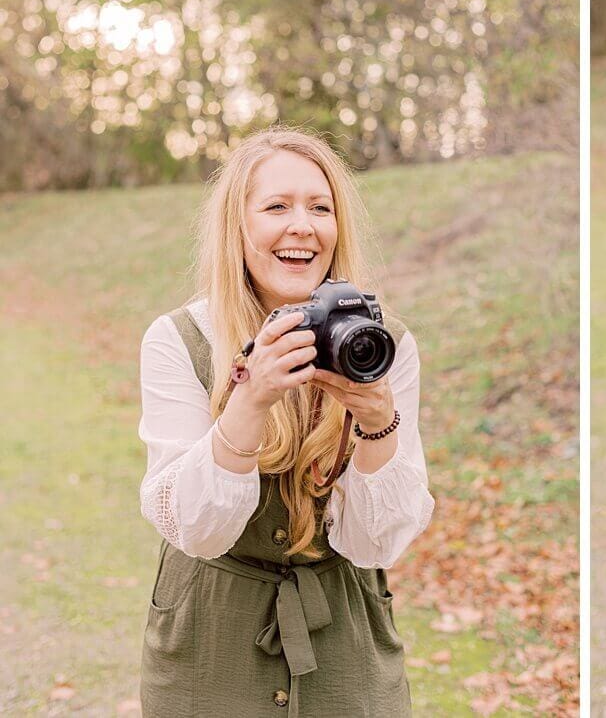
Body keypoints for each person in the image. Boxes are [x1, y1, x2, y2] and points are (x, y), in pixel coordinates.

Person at [137, 128, 434, 716]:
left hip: (344, 631)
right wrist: (249, 403)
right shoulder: (181, 339)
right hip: (210, 628)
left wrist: (377, 420)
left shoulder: (381, 345)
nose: (303, 225)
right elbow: (196, 529)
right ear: (238, 226)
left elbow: (379, 541)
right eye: (277, 206)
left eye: (320, 208)